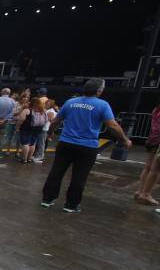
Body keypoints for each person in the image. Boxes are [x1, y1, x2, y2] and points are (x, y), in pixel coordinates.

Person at [41, 78, 131, 213]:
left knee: (57, 171)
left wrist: (50, 132)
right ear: (99, 91)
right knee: (79, 175)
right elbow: (112, 125)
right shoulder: (103, 105)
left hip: (66, 143)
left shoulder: (70, 102)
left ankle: (47, 199)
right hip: (87, 146)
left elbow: (56, 121)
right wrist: (124, 139)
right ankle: (71, 205)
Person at [134, 101, 160, 205]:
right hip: (158, 141)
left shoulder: (156, 109)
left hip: (152, 139)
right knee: (156, 170)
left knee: (148, 167)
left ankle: (140, 191)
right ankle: (146, 194)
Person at [15, 97, 48, 163]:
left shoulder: (27, 110)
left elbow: (21, 119)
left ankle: (24, 159)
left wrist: (17, 127)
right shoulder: (43, 111)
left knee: (25, 143)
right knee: (32, 144)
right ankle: (29, 158)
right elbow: (46, 120)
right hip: (38, 128)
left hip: (26, 128)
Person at [0, 87, 17, 157]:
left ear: (2, 92)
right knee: (1, 137)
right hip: (5, 121)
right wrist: (4, 119)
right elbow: (12, 113)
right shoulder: (12, 101)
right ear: (9, 93)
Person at [33, 98, 56, 163]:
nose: (46, 105)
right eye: (46, 103)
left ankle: (40, 156)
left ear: (51, 105)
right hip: (42, 128)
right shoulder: (47, 110)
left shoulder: (51, 111)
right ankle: (38, 155)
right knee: (40, 142)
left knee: (41, 143)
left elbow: (51, 120)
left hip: (44, 128)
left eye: (48, 104)